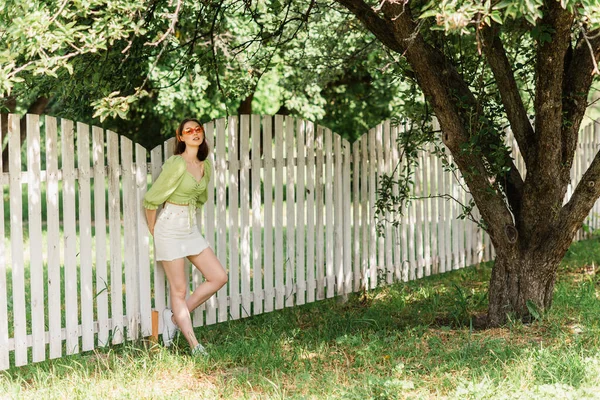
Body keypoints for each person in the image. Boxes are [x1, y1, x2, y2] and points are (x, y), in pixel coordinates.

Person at [143, 118, 228, 356]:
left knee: (219, 276)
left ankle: (174, 318)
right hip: (169, 228)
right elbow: (151, 199)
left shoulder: (205, 165)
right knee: (178, 291)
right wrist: (153, 229)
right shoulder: (176, 164)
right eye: (188, 131)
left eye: (198, 129)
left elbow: (200, 198)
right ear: (180, 137)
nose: (194, 133)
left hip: (189, 228)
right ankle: (195, 345)